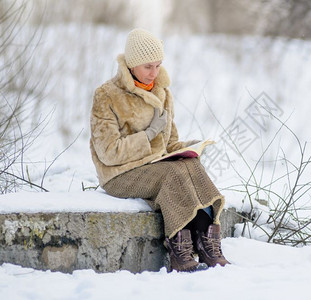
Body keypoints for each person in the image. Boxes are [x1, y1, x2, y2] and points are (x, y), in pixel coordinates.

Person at [89, 28, 230, 272]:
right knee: (172, 174)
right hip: (119, 175)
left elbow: (170, 144)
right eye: (147, 66)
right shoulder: (107, 95)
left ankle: (207, 243)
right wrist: (148, 135)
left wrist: (191, 147)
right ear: (132, 65)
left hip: (155, 168)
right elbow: (108, 151)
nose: (154, 72)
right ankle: (179, 247)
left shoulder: (162, 93)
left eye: (158, 65)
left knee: (190, 165)